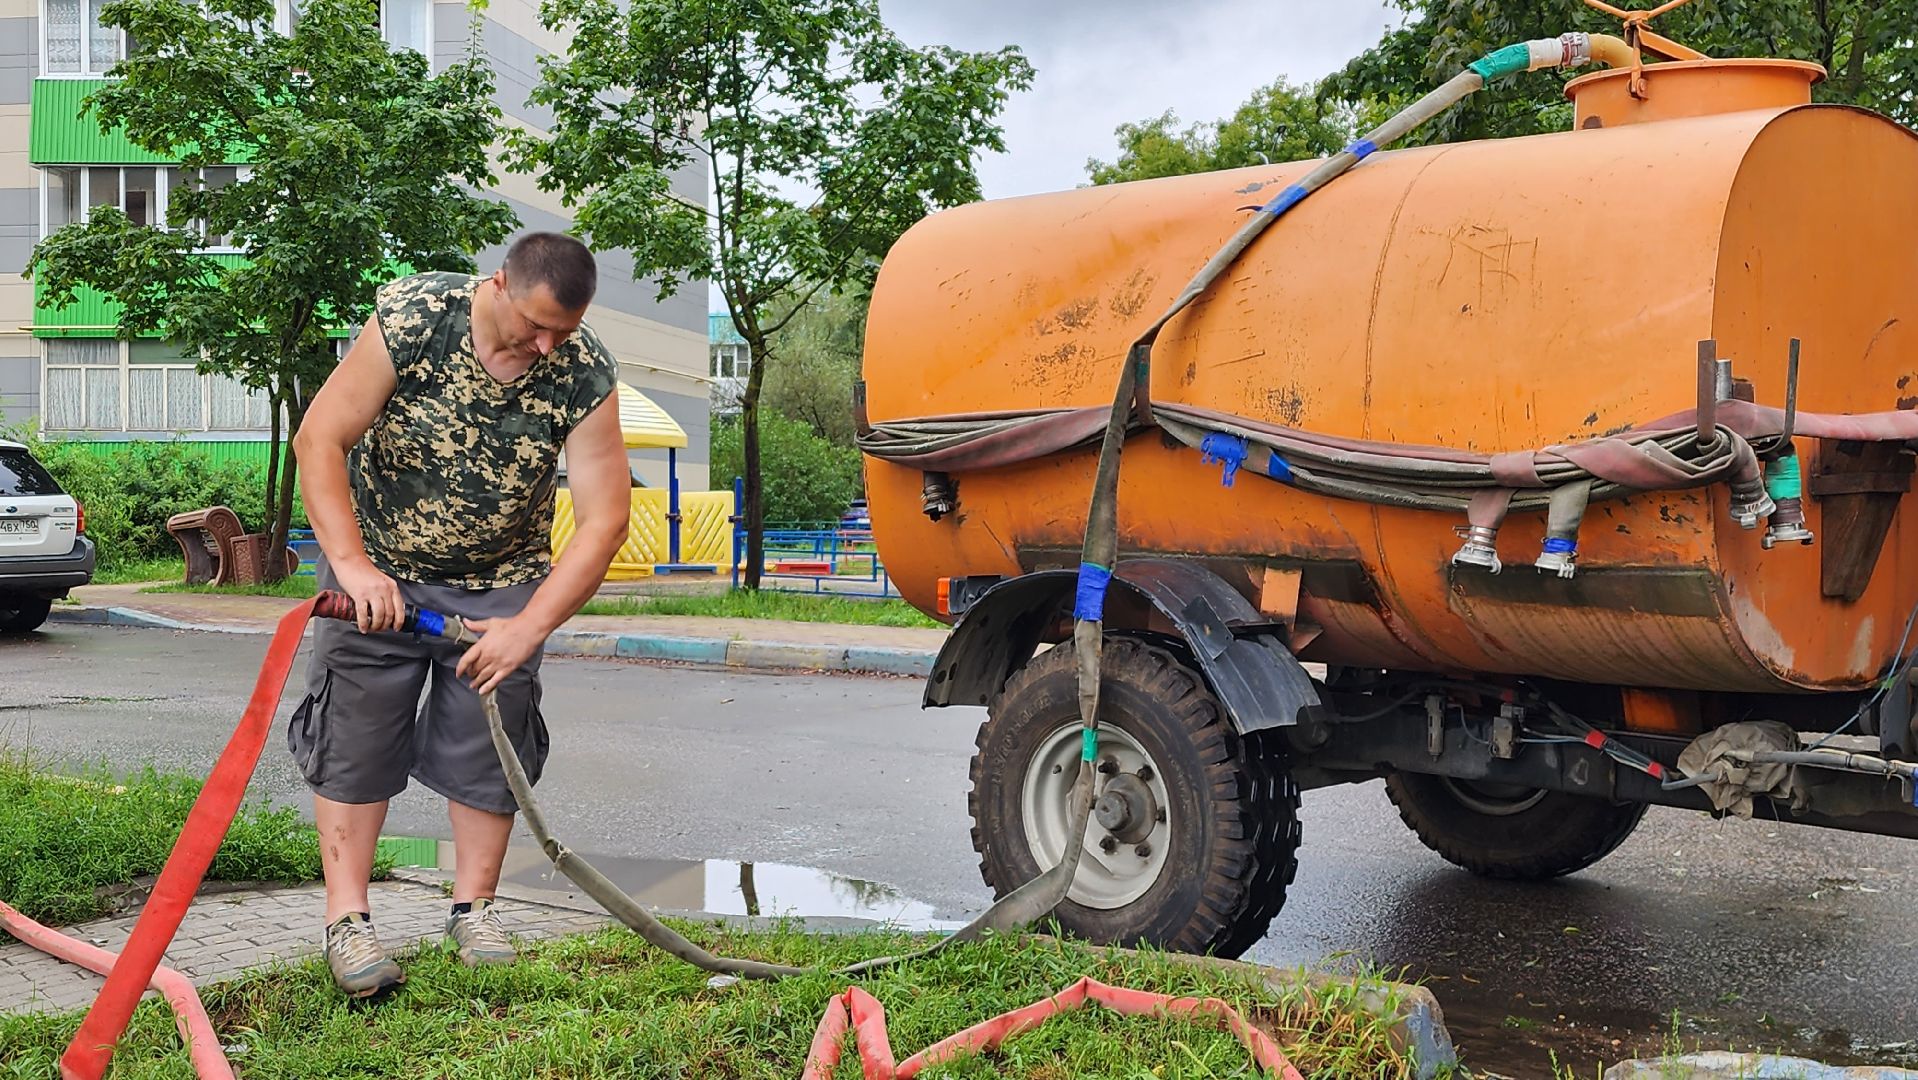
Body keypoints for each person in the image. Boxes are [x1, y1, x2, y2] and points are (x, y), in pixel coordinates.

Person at [290, 232, 631, 998]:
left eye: (563, 331)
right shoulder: (416, 315)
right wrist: (351, 564)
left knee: (489, 743)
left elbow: (605, 521)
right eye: (535, 325)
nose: (546, 346)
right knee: (354, 734)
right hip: (378, 571)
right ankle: (349, 922)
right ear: (499, 283)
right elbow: (321, 437)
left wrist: (529, 627)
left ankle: (474, 911)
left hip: (500, 585)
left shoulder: (582, 371)